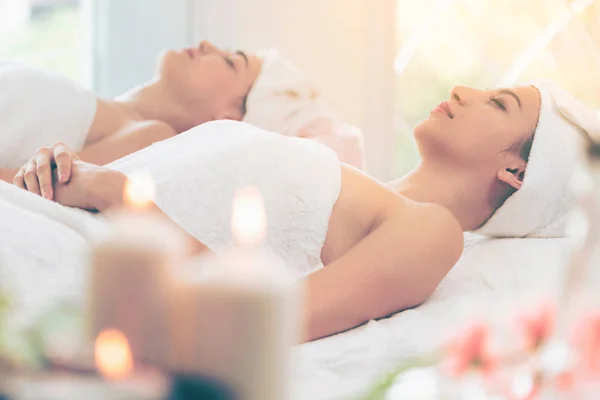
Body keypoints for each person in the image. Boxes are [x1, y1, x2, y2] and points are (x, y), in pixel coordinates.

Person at [12, 80, 593, 341]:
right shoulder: (347, 172)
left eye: (499, 103)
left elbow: (261, 320)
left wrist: (123, 200)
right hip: (38, 216)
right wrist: (66, 167)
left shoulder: (430, 231)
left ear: (518, 173)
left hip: (73, 265)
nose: (464, 89)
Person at [0, 41, 364, 187]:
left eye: (229, 60)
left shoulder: (151, 136)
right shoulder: (104, 107)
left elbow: (26, 186)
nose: (207, 44)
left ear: (228, 120)